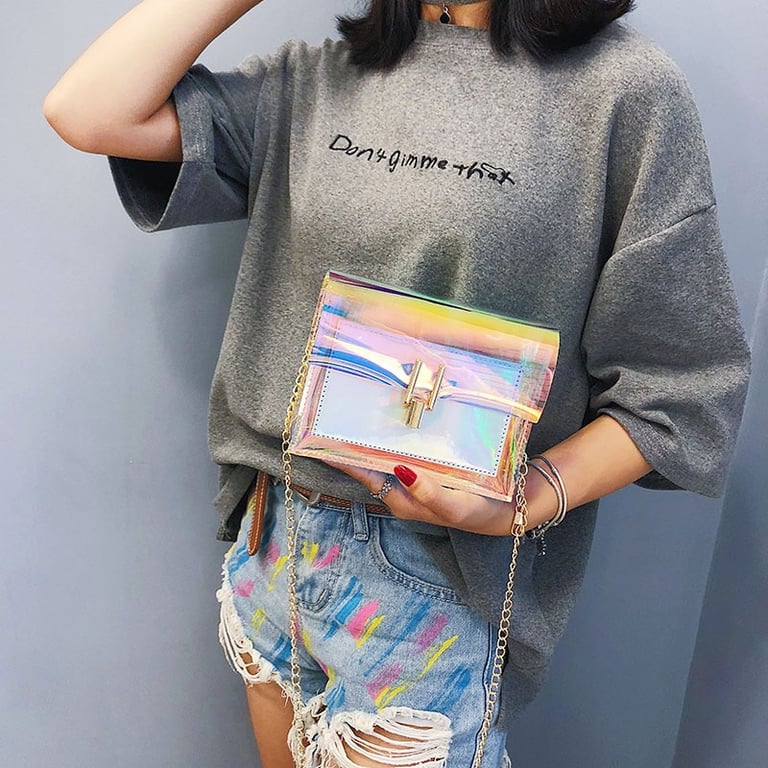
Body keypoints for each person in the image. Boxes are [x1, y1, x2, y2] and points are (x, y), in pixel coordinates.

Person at [44, 0, 750, 766]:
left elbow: (681, 389)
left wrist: (527, 497)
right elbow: (89, 110)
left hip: (433, 577)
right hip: (275, 542)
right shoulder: (318, 77)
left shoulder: (623, 90)